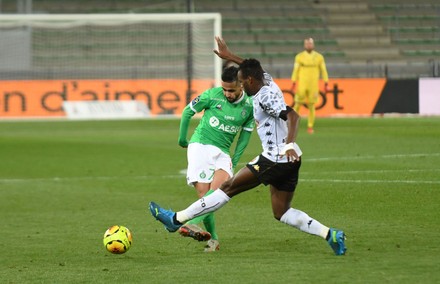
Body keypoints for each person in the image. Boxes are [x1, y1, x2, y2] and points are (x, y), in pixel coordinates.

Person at [149, 36, 347, 256]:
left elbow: (293, 115)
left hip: (275, 158)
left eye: (242, 83)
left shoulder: (264, 98)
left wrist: (288, 144)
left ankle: (175, 219)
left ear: (251, 82)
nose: (241, 86)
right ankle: (331, 234)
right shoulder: (268, 81)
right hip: (291, 161)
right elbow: (254, 68)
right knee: (281, 212)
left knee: (227, 188)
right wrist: (230, 56)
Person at [176, 65, 255, 252]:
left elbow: (245, 136)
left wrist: (234, 160)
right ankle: (214, 240)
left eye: (231, 90)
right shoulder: (212, 95)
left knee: (219, 192)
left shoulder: (250, 106)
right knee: (205, 196)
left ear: (241, 86)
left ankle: (192, 222)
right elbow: (188, 111)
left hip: (223, 152)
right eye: (225, 89)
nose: (227, 93)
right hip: (200, 145)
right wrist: (182, 139)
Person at [290, 38, 329, 134]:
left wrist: (326, 82)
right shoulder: (299, 57)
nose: (309, 45)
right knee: (297, 104)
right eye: (307, 44)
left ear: (313, 44)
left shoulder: (319, 57)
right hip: (302, 84)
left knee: (311, 105)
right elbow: (296, 70)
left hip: (313, 85)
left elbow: (323, 70)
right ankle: (293, 124)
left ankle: (310, 126)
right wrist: (293, 82)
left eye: (310, 43)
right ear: (304, 45)